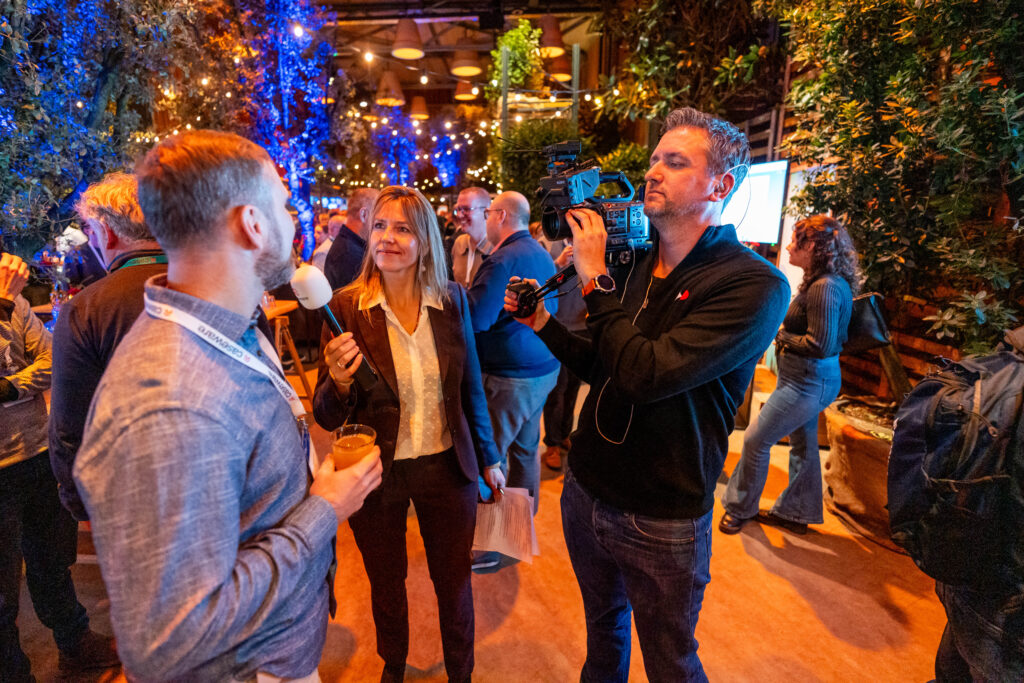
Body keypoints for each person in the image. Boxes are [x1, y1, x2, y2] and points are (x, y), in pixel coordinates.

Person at [73, 130, 383, 681]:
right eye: (283, 205)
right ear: (252, 224)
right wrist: (324, 510)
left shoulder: (232, 327)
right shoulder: (170, 402)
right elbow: (168, 640)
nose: (293, 221)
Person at [505, 107, 790, 681]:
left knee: (671, 663)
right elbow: (608, 366)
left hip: (661, 518)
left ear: (720, 186)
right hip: (587, 491)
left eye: (676, 162)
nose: (653, 171)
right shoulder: (635, 262)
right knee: (603, 635)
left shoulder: (754, 285)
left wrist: (593, 280)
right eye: (655, 158)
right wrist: (544, 325)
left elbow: (646, 374)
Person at [312, 186, 504, 683]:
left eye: (402, 228)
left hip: (447, 464)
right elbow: (326, 415)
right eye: (380, 225)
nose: (387, 238)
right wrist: (339, 380)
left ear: (425, 240)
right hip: (378, 470)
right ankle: (393, 666)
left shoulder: (452, 299)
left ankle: (461, 672)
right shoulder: (344, 307)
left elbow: (470, 386)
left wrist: (490, 456)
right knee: (386, 582)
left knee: (454, 583)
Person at [0, 250, 119, 680]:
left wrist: (9, 388)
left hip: (34, 451)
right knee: (2, 592)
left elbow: (53, 362)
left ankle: (74, 641)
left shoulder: (13, 302)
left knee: (53, 561)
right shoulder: (6, 299)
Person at [720, 215, 858, 535]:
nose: (789, 247)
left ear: (812, 247)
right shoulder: (826, 282)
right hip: (807, 378)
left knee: (755, 440)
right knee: (803, 443)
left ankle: (740, 507)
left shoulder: (824, 287)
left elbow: (819, 344)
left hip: (807, 381)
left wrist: (780, 336)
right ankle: (797, 512)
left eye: (796, 241)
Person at [49, 172, 166, 520]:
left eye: (91, 231)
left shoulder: (85, 310)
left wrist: (80, 502)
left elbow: (71, 426)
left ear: (107, 232)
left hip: (139, 500)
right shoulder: (227, 288)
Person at [470, 192, 558, 514]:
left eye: (488, 213)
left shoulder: (503, 260)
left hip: (509, 377)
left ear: (501, 216)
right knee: (526, 450)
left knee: (490, 458)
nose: (486, 220)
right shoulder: (540, 252)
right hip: (542, 369)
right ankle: (523, 520)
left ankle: (497, 532)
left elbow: (477, 319)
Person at [539, 239, 587, 471]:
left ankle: (565, 434)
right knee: (556, 390)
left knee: (573, 388)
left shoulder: (589, 243)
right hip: (558, 326)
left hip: (583, 326)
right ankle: (552, 444)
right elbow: (542, 285)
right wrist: (557, 263)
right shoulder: (549, 246)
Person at [324, 187, 379, 290]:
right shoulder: (348, 253)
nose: (380, 226)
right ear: (364, 215)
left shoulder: (350, 245)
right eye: (378, 218)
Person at [450, 187, 492, 288]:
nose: (459, 215)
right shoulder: (459, 243)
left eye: (466, 209)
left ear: (486, 212)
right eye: (458, 209)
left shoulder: (496, 246)